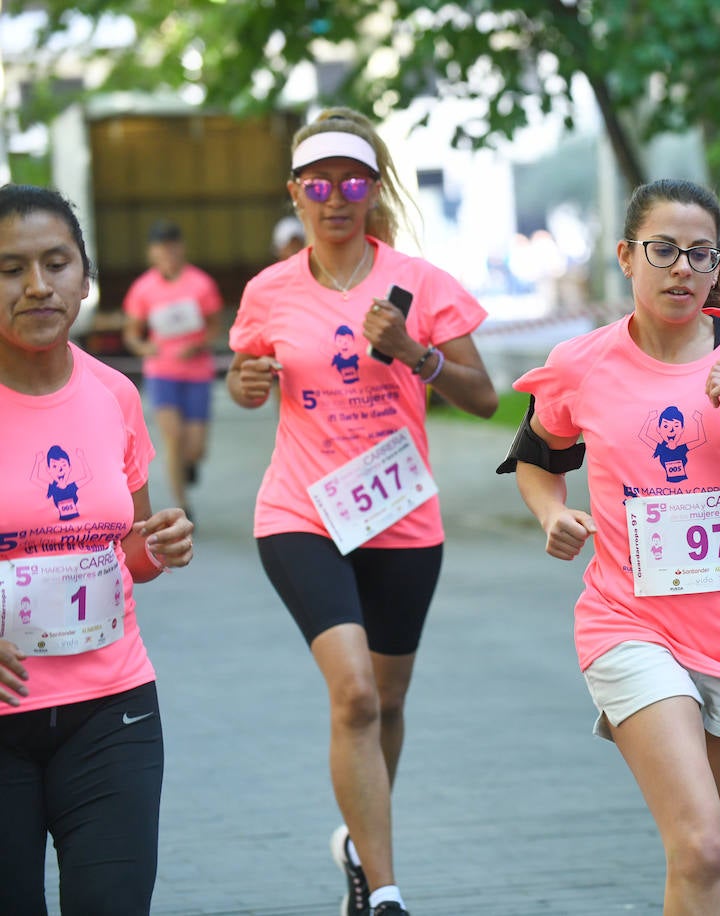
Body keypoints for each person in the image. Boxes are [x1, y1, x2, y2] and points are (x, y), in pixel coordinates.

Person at [500, 178, 720, 914]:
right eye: (663, 250)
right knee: (702, 846)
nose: (682, 268)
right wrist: (549, 513)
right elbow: (537, 456)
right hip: (633, 626)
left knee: (704, 864)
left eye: (700, 254)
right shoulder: (581, 362)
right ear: (627, 256)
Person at [226, 108, 498, 916]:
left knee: (390, 700)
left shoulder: (420, 284)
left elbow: (484, 400)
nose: (335, 198)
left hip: (401, 518)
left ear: (373, 190)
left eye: (352, 182)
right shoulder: (268, 290)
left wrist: (417, 352)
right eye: (318, 184)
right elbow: (250, 373)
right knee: (354, 696)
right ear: (296, 194)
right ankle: (385, 892)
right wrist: (244, 386)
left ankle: (357, 839)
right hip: (302, 512)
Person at [0, 184, 195, 914]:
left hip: (111, 710)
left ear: (85, 281)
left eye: (56, 263)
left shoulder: (115, 394)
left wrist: (160, 543)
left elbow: (129, 555)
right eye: (11, 268)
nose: (37, 286)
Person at [121, 218, 224, 515]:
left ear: (181, 249)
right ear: (152, 253)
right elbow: (132, 332)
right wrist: (144, 347)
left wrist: (200, 343)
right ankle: (183, 504)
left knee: (195, 447)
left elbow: (216, 326)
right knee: (174, 438)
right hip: (162, 373)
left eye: (172, 247)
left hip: (197, 373)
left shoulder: (201, 284)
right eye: (161, 248)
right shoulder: (143, 289)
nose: (167, 254)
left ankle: (190, 464)